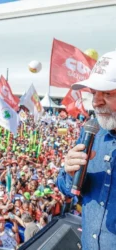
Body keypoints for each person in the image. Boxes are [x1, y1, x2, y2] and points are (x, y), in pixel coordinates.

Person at [57, 51, 116, 249]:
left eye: (107, 93)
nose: (96, 102)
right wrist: (69, 174)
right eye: (94, 93)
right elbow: (67, 189)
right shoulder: (92, 132)